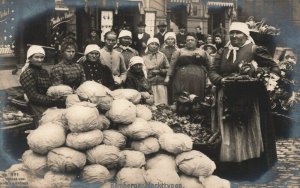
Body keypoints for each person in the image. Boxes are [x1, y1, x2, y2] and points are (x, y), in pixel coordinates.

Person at [208, 22, 280, 179]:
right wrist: (219, 80)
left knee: (245, 128)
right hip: (225, 95)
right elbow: (212, 71)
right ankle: (229, 166)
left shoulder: (254, 50)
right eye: (232, 33)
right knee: (227, 129)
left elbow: (273, 67)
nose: (234, 36)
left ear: (246, 35)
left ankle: (248, 166)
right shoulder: (223, 50)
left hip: (247, 98)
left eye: (238, 33)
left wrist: (265, 78)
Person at [19, 45, 66, 126]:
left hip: (47, 102)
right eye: (36, 57)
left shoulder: (44, 71)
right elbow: (32, 96)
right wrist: (52, 101)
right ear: (29, 58)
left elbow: (49, 88)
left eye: (42, 57)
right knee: (48, 126)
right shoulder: (27, 73)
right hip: (35, 106)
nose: (40, 60)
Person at [165, 32, 210, 104]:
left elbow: (209, 65)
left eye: (192, 40)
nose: (190, 41)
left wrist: (210, 78)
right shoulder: (179, 51)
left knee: (197, 97)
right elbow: (172, 65)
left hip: (198, 79)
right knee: (183, 96)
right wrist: (168, 76)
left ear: (196, 41)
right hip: (182, 78)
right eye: (188, 40)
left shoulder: (202, 52)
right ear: (185, 42)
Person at [143, 38, 170, 105]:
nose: (154, 46)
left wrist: (160, 71)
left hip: (161, 81)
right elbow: (142, 70)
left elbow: (168, 68)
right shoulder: (143, 56)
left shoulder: (162, 55)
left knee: (162, 101)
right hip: (150, 81)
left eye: (156, 44)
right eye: (152, 44)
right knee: (152, 101)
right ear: (148, 45)